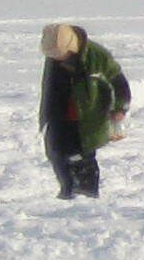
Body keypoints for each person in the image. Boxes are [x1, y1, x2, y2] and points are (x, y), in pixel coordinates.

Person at [38, 22, 131, 201]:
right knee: (56, 152)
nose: (55, 58)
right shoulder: (53, 57)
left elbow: (119, 82)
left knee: (81, 155)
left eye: (59, 54)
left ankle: (87, 195)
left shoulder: (96, 56)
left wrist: (120, 108)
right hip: (59, 114)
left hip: (87, 117)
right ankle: (68, 190)